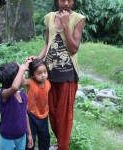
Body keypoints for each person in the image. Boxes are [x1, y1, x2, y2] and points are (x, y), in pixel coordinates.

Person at [29, 0, 85, 149]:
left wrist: (66, 25)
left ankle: (62, 146)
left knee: (64, 116)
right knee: (52, 114)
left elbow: (74, 49)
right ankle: (61, 143)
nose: (66, 3)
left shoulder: (79, 19)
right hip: (48, 75)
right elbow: (47, 43)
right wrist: (38, 59)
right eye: (62, 0)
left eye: (70, 0)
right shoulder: (49, 17)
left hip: (67, 76)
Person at [0, 61, 33, 150]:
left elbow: (25, 115)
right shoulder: (4, 94)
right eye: (22, 74)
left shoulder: (23, 95)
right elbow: (14, 87)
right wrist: (21, 69)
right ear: (14, 80)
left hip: (22, 135)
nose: (23, 75)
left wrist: (29, 134)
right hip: (8, 138)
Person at [24, 58, 51, 150]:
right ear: (33, 75)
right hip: (31, 115)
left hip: (44, 115)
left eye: (45, 72)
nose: (43, 75)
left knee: (45, 138)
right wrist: (25, 68)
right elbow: (20, 81)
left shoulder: (48, 83)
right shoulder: (30, 83)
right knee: (30, 140)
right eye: (39, 73)